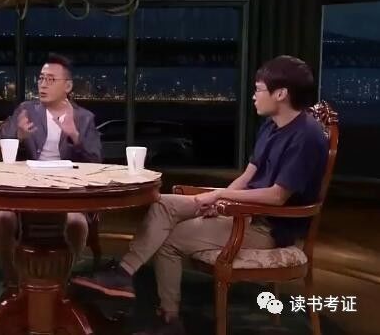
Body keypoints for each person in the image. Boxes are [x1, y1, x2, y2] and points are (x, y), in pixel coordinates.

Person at [71, 55, 329, 334]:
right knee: (163, 203)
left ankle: (170, 319)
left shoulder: (306, 136)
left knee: (170, 238)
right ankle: (123, 274)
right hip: (242, 211)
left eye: (258, 89)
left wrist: (220, 198)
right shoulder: (271, 126)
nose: (254, 96)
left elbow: (277, 197)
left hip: (267, 228)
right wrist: (222, 200)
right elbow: (247, 177)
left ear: (281, 94)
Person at [0, 54, 102, 286]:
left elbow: (96, 161)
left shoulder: (84, 118)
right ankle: (13, 283)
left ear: (68, 86)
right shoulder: (26, 110)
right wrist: (19, 136)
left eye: (51, 79)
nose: (43, 85)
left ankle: (60, 284)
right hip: (25, 190)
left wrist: (74, 136)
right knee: (1, 218)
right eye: (41, 78)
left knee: (77, 222)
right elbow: (1, 151)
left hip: (67, 193)